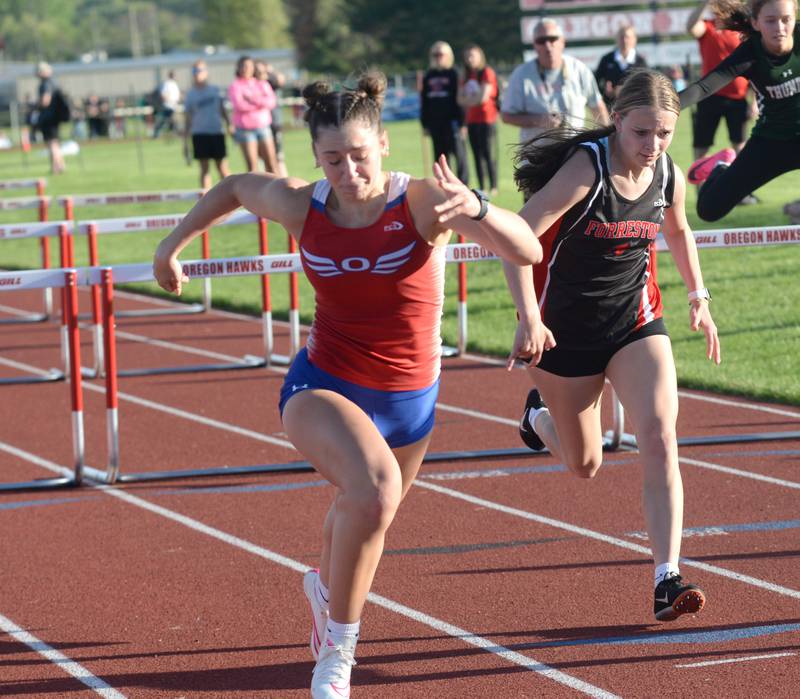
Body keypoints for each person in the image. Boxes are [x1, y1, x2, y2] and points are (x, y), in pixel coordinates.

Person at [152, 71, 540, 698]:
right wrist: (172, 245)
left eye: (359, 155)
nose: (348, 169)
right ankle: (339, 654)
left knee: (366, 511)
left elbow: (527, 250)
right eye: (332, 158)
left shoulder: (418, 200)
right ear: (315, 158)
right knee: (375, 490)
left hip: (411, 399)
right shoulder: (301, 204)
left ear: (383, 144)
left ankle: (325, 588)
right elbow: (231, 186)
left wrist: (479, 208)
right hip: (323, 384)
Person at [503, 69, 721, 623]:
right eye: (642, 133)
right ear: (617, 121)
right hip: (564, 334)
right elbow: (517, 238)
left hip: (635, 323)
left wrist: (699, 296)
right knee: (585, 464)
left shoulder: (667, 173)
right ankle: (540, 419)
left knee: (659, 434)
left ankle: (666, 578)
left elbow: (677, 230)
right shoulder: (587, 169)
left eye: (665, 134)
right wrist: (528, 316)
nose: (653, 147)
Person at [681, 0, 799, 221]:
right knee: (708, 210)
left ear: (795, 17)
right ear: (756, 23)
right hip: (772, 143)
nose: (780, 28)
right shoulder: (750, 52)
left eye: (786, 20)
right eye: (770, 21)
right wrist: (664, 106)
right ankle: (720, 166)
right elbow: (704, 86)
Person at [501, 19, 610, 158]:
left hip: (574, 156)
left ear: (562, 42)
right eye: (541, 41)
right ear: (535, 45)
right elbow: (507, 116)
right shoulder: (521, 75)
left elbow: (597, 106)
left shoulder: (579, 70)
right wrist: (539, 119)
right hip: (537, 158)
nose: (548, 45)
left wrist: (607, 141)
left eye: (552, 39)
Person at [685, 0, 759, 205]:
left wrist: (753, 101)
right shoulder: (708, 27)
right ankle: (700, 189)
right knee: (701, 146)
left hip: (738, 98)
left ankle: (742, 192)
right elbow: (690, 26)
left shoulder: (742, 31)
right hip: (709, 98)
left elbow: (754, 65)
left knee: (741, 147)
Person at [420, 41, 470, 184]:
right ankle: (442, 185)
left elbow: (461, 100)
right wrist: (425, 124)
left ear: (448, 55)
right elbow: (424, 101)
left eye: (441, 54)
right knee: (440, 157)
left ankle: (463, 186)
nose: (438, 57)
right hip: (436, 123)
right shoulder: (428, 75)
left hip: (453, 122)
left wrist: (463, 123)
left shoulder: (454, 73)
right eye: (435, 55)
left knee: (459, 156)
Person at [183, 59, 231, 191]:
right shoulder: (191, 94)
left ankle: (230, 199)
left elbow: (223, 110)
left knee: (222, 168)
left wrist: (229, 124)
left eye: (200, 70)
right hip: (200, 134)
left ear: (206, 72)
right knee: (204, 169)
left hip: (216, 132)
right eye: (195, 71)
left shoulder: (214, 90)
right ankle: (206, 202)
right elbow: (188, 118)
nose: (197, 74)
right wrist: (185, 141)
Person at [459, 43, 500, 195]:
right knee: (476, 154)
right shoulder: (465, 75)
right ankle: (482, 185)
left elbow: (483, 98)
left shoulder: (486, 72)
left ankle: (493, 185)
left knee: (488, 153)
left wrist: (468, 100)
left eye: (473, 55)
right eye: (467, 56)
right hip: (472, 120)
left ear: (480, 57)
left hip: (487, 119)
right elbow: (459, 98)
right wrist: (470, 100)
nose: (470, 59)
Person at [228, 55, 279, 174]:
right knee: (252, 167)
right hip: (246, 130)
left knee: (271, 163)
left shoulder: (261, 84)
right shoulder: (235, 86)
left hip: (263, 127)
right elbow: (239, 105)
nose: (246, 69)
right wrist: (259, 105)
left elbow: (271, 102)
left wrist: (252, 99)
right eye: (243, 66)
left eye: (249, 66)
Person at [595, 25, 648, 107]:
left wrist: (630, 91)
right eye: (621, 37)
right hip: (611, 108)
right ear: (616, 39)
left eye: (627, 37)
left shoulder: (641, 62)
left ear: (634, 39)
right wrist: (605, 91)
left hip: (634, 108)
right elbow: (596, 82)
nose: (624, 40)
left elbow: (647, 85)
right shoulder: (606, 59)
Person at [257, 60, 289, 177]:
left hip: (274, 123)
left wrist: (269, 71)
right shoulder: (254, 83)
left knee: (278, 157)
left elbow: (280, 80)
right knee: (262, 158)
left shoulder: (270, 81)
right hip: (259, 124)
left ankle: (283, 181)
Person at [34, 62, 67, 174]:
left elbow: (45, 101)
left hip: (48, 118)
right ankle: (61, 165)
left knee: (51, 143)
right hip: (55, 117)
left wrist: (35, 106)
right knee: (55, 143)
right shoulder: (54, 82)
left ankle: (55, 167)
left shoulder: (45, 84)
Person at [153, 70, 181, 138]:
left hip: (174, 106)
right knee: (165, 120)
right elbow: (163, 94)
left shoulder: (175, 84)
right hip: (168, 105)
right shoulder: (167, 84)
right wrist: (168, 100)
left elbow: (177, 95)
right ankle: (156, 133)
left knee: (171, 120)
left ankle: (173, 133)